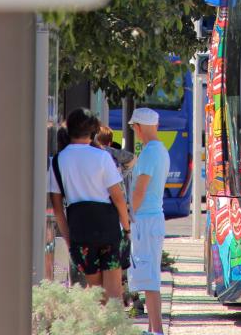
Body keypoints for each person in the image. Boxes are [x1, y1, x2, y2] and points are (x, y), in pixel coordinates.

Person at [48, 108, 131, 302]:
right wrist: (126, 228)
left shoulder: (58, 161)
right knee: (113, 294)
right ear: (93, 131)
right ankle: (113, 330)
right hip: (107, 227)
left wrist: (69, 239)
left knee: (93, 290)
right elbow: (118, 198)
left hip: (80, 229)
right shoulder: (102, 157)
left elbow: (57, 208)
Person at [128, 107, 170, 335]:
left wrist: (126, 217)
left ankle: (157, 331)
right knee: (149, 273)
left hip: (144, 219)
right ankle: (153, 329)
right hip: (152, 218)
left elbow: (139, 191)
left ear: (139, 127)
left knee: (149, 276)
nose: (134, 131)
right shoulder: (160, 150)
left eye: (134, 127)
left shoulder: (148, 154)